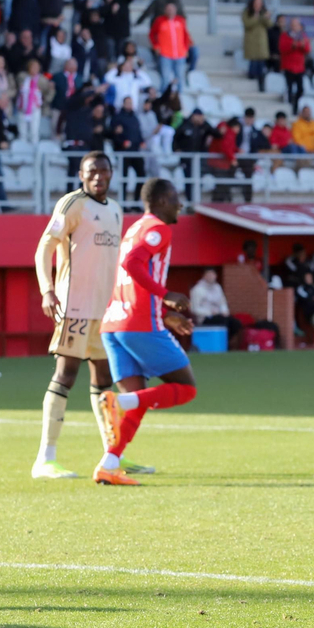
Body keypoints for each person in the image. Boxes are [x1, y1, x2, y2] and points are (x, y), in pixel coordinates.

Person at [96, 179, 199, 486]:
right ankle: (117, 403)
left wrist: (164, 315)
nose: (180, 205)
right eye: (176, 198)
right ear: (163, 200)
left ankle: (108, 464)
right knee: (187, 388)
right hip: (138, 325)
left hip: (113, 324)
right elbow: (133, 263)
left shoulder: (134, 228)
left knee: (138, 400)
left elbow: (131, 277)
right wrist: (166, 296)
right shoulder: (158, 228)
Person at [31, 152, 125, 480]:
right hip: (75, 306)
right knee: (66, 375)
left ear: (111, 173)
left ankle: (112, 455)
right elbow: (44, 247)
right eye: (91, 171)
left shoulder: (116, 209)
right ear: (81, 175)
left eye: (103, 170)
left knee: (104, 381)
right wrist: (47, 290)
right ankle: (45, 458)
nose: (98, 176)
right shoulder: (72, 204)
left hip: (105, 310)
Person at [189, 267, 243, 347]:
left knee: (235, 323)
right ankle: (220, 344)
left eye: (213, 274)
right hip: (205, 318)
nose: (211, 276)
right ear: (204, 276)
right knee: (223, 322)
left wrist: (225, 311)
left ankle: (223, 342)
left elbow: (222, 303)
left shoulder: (217, 287)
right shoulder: (197, 289)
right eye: (209, 274)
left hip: (220, 315)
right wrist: (210, 312)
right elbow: (194, 309)